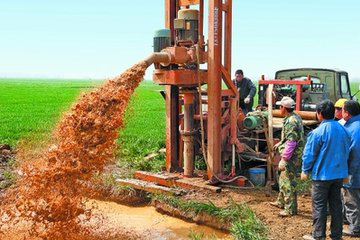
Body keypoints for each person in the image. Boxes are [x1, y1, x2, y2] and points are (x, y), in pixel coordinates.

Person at [302, 100, 351, 240]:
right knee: (336, 205)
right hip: (339, 175)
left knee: (319, 206)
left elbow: (309, 154)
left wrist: (305, 170)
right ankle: (337, 235)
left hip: (322, 176)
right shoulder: (344, 130)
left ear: (319, 114)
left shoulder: (317, 132)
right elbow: (347, 152)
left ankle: (318, 235)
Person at [270, 96, 305, 217]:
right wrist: (281, 143)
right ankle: (281, 201)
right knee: (282, 178)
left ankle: (290, 209)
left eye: (280, 107)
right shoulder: (294, 117)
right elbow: (290, 138)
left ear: (284, 108)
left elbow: (292, 142)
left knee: (288, 181)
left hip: (292, 156)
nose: (279, 109)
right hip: (292, 153)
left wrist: (284, 159)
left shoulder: (291, 122)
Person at [342, 100, 360, 237]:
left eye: (341, 110)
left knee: (351, 200)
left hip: (354, 169)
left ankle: (355, 228)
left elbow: (353, 152)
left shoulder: (353, 129)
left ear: (347, 113)